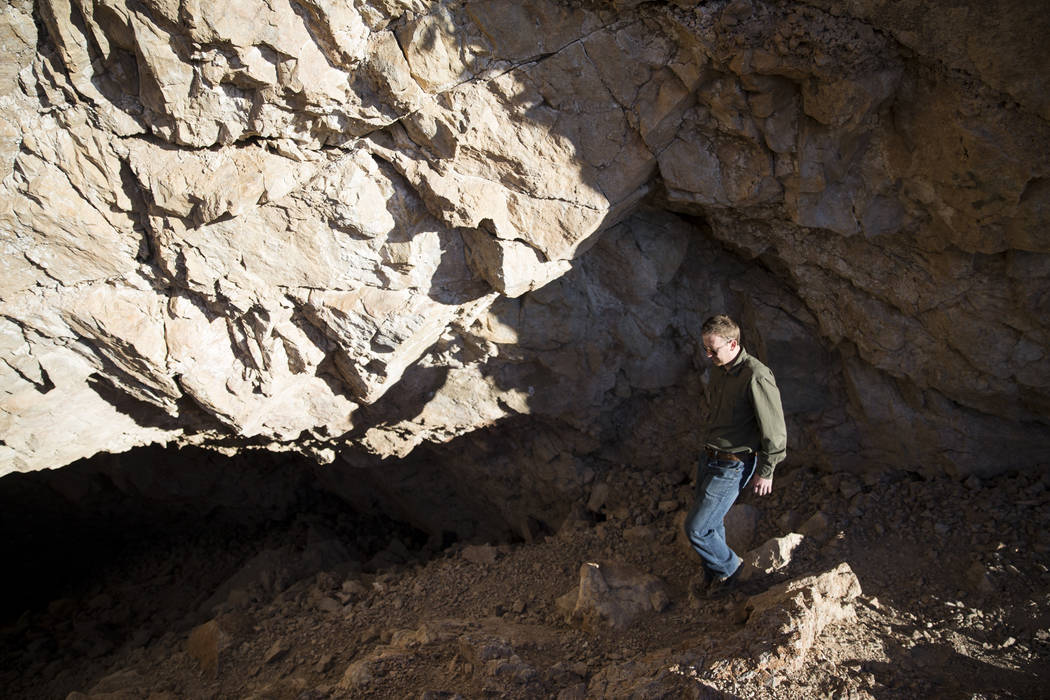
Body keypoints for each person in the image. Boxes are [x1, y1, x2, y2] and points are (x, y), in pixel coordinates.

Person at [684, 314, 787, 593]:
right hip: (710, 457)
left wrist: (767, 470)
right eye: (705, 348)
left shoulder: (756, 375)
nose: (708, 355)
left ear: (732, 344)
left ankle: (737, 573)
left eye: (712, 349)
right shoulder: (721, 368)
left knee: (697, 528)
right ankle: (717, 576)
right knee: (712, 523)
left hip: (734, 464)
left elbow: (774, 429)